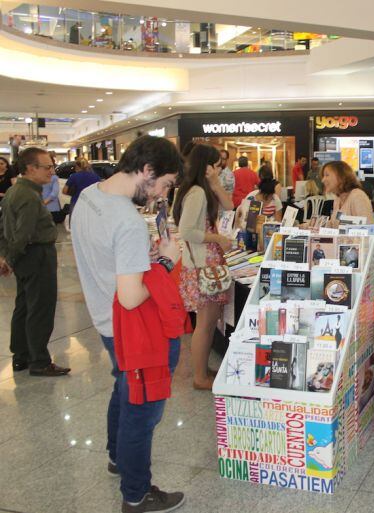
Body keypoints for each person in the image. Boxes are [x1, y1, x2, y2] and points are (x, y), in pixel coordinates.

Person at [70, 135, 186, 513]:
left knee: (124, 388)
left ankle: (118, 458)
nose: (159, 196)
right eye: (164, 184)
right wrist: (166, 261)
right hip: (133, 327)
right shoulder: (128, 221)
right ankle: (136, 495)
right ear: (147, 171)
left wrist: (142, 260)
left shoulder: (89, 196)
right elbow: (132, 296)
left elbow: (108, 260)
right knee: (143, 411)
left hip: (105, 322)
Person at [0, 148, 70, 376]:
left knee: (25, 306)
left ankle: (21, 355)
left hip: (26, 256)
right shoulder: (28, 195)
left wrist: (6, 256)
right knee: (40, 308)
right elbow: (24, 234)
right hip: (36, 255)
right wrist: (9, 259)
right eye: (47, 167)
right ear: (31, 168)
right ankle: (39, 360)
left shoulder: (15, 191)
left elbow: (4, 229)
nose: (52, 171)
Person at [174, 143, 234, 390]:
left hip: (205, 263)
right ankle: (200, 377)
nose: (219, 169)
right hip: (202, 264)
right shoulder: (197, 192)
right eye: (217, 165)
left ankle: (203, 370)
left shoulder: (201, 188)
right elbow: (186, 231)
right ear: (206, 165)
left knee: (208, 322)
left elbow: (230, 206)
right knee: (205, 323)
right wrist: (217, 238)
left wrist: (216, 182)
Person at [322, 161, 374, 225]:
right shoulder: (338, 199)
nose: (323, 180)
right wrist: (311, 225)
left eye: (327, 175)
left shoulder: (358, 196)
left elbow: (368, 227)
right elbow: (334, 224)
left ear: (341, 177)